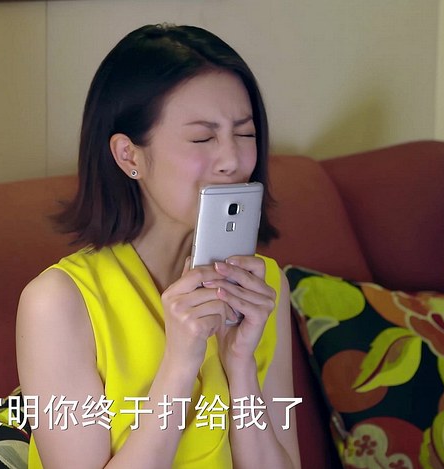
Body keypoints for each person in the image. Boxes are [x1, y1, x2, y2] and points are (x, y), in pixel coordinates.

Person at [16, 24, 300, 469]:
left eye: (245, 134)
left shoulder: (264, 285)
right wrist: (180, 364)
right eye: (203, 138)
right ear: (129, 155)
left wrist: (240, 365)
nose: (232, 160)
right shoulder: (58, 303)